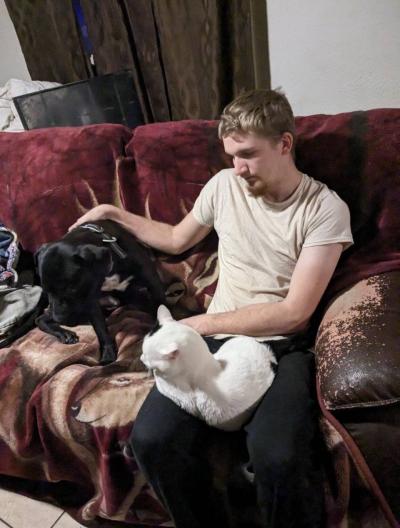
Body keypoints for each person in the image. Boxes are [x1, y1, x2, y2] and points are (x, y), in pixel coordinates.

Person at [70, 89, 353, 527]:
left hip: (283, 346)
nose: (237, 168)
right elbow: (174, 239)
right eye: (231, 156)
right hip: (216, 343)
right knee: (151, 439)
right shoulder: (224, 185)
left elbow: (295, 311)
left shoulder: (324, 209)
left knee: (277, 454)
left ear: (284, 143)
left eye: (247, 155)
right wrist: (114, 212)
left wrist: (198, 324)